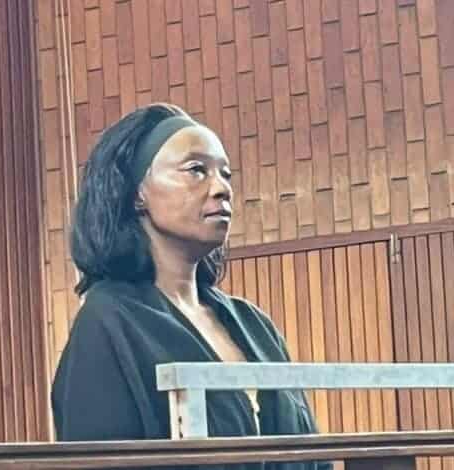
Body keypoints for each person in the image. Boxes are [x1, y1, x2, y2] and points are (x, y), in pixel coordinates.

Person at [51, 103, 331, 470]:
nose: (221, 188)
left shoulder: (254, 324)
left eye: (225, 174)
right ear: (137, 193)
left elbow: (313, 454)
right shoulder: (107, 321)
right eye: (196, 170)